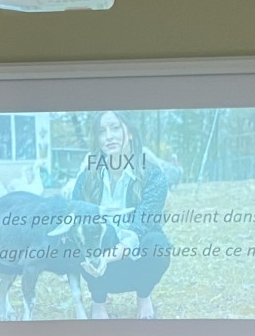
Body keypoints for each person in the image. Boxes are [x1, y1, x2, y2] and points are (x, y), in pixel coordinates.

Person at [74, 110, 179, 320]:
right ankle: (98, 302)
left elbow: (141, 227)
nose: (109, 136)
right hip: (98, 268)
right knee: (80, 240)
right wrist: (95, 257)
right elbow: (78, 221)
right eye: (102, 132)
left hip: (134, 261)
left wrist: (107, 256)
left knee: (157, 243)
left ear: (129, 133)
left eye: (115, 128)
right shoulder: (86, 178)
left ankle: (144, 297)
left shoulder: (152, 175)